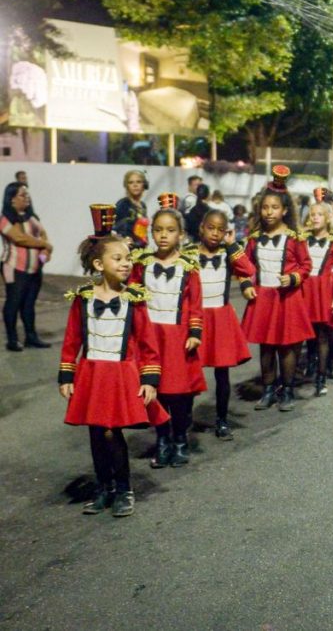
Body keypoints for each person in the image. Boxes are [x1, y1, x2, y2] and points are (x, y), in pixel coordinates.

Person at [60, 209, 167, 518]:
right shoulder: (82, 298)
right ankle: (104, 488)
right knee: (95, 432)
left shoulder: (134, 299)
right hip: (92, 375)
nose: (126, 263)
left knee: (111, 432)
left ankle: (124, 489)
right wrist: (67, 375)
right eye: (118, 258)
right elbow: (71, 341)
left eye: (127, 258)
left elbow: (148, 345)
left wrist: (149, 380)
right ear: (98, 264)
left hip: (120, 376)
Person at [131, 195, 207, 469]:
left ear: (181, 234)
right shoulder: (141, 264)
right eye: (158, 230)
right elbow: (133, 298)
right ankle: (162, 439)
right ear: (151, 232)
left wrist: (194, 332)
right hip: (151, 339)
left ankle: (180, 439)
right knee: (155, 391)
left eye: (170, 230)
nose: (164, 235)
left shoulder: (188, 267)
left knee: (180, 393)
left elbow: (195, 303)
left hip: (177, 339)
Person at [241, 167, 315, 412]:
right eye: (265, 208)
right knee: (266, 346)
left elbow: (306, 265)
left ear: (284, 210)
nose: (269, 212)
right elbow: (246, 267)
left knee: (287, 347)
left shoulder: (295, 237)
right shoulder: (254, 237)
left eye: (274, 208)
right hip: (264, 298)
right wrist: (247, 285)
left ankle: (288, 390)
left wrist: (293, 278)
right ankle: (269, 389)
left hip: (287, 300)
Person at [195, 208, 256, 440]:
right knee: (191, 370)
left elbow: (248, 270)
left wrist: (231, 245)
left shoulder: (228, 252)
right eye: (211, 227)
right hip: (196, 318)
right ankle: (185, 419)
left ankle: (221, 419)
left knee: (222, 373)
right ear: (201, 228)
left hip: (220, 318)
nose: (215, 233)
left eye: (221, 230)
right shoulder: (189, 254)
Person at [301, 200, 333, 396]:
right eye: (312, 214)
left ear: (327, 218)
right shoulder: (301, 239)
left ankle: (321, 377)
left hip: (324, 292)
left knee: (323, 335)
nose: (314, 217)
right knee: (309, 335)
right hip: (306, 291)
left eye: (319, 214)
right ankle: (312, 363)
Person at [2, 181, 52, 350]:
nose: (27, 198)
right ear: (12, 199)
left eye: (27, 195)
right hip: (15, 268)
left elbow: (44, 234)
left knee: (29, 304)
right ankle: (12, 339)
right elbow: (19, 238)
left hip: (34, 269)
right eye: (22, 195)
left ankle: (31, 336)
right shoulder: (4, 219)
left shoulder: (31, 217)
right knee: (14, 302)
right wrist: (44, 245)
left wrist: (46, 252)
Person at [113, 170, 150, 249]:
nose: (135, 185)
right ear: (126, 186)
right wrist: (122, 240)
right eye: (131, 182)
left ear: (144, 185)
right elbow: (113, 229)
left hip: (141, 248)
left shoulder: (143, 205)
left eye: (138, 182)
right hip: (127, 249)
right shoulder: (123, 204)